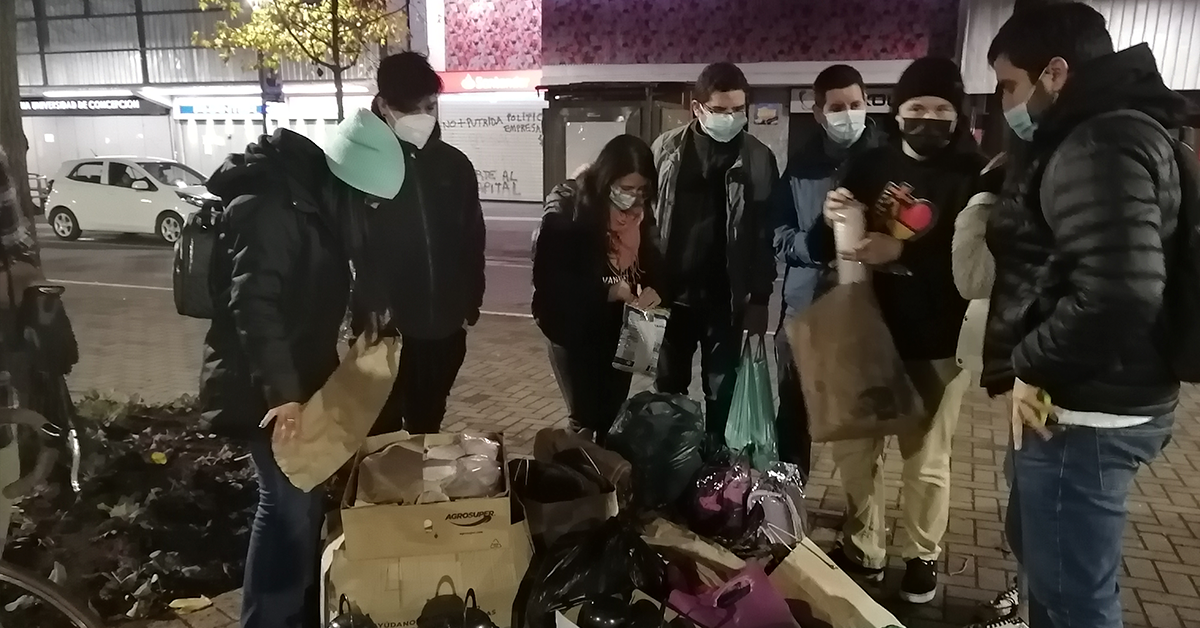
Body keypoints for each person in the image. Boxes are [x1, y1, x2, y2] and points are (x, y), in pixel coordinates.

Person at [984, 4, 1189, 627]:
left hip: (1082, 414)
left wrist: (1031, 362)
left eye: (1008, 86)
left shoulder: (1097, 142)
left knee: (1074, 599)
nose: (1004, 103)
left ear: (1054, 73)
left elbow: (1120, 293)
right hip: (1095, 399)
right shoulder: (1116, 130)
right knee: (1053, 576)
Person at [198, 109, 403, 628]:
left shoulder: (314, 204)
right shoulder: (271, 205)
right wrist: (283, 394)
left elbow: (330, 278)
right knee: (285, 505)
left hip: (295, 376)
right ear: (347, 186)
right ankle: (267, 618)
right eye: (369, 202)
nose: (372, 212)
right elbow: (253, 305)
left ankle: (293, 611)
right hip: (261, 385)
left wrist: (368, 316)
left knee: (302, 499)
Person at [819, 56, 985, 604]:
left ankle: (921, 556)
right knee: (857, 453)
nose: (928, 119)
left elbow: (979, 265)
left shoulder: (975, 174)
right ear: (898, 111)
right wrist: (831, 214)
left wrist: (902, 252)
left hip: (937, 340)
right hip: (868, 333)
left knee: (926, 458)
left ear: (958, 115)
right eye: (918, 107)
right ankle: (863, 546)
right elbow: (830, 246)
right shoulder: (870, 166)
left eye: (941, 109)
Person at [651, 62, 779, 447]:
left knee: (721, 389)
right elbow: (649, 219)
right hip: (671, 298)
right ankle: (672, 458)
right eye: (720, 110)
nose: (730, 118)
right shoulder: (666, 150)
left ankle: (715, 463)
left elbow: (765, 234)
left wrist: (760, 297)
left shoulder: (758, 157)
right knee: (669, 386)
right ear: (697, 108)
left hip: (725, 300)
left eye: (738, 110)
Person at [771, 64, 883, 477]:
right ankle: (789, 496)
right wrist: (813, 245)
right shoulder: (800, 166)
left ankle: (861, 513)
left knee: (860, 426)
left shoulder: (887, 160)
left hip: (867, 310)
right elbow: (779, 234)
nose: (848, 114)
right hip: (806, 306)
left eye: (855, 104)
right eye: (837, 107)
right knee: (793, 412)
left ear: (867, 103)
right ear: (818, 112)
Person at [367, 51, 486, 435]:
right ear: (384, 105)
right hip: (389, 330)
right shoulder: (362, 166)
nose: (423, 116)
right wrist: (369, 308)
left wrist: (469, 304)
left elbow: (472, 238)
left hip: (445, 327)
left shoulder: (455, 165)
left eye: (430, 106)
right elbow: (351, 249)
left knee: (428, 421)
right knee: (382, 429)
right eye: (410, 108)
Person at [533, 135, 664, 441]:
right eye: (626, 188)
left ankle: (603, 467)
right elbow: (549, 278)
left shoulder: (641, 213)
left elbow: (656, 263)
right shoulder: (569, 205)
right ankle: (580, 468)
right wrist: (607, 291)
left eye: (642, 190)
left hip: (622, 329)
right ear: (607, 178)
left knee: (611, 416)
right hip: (574, 329)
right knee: (583, 418)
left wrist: (656, 290)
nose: (633, 198)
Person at [953, 153, 1031, 628]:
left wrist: (981, 198)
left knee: (1043, 507)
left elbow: (973, 277)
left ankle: (1031, 610)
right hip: (1051, 376)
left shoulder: (1069, 177)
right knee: (1027, 493)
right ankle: (1029, 593)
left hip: (1064, 385)